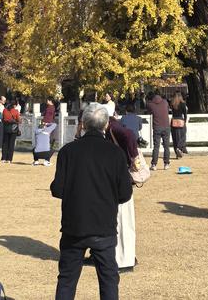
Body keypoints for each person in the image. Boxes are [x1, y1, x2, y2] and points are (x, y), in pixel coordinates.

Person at [50, 104, 133, 300]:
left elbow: (57, 189)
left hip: (74, 225)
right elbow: (125, 193)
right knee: (108, 279)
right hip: (104, 225)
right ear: (106, 125)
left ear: (83, 124)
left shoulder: (68, 151)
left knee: (67, 279)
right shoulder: (115, 153)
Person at [107, 113, 139, 272]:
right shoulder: (111, 128)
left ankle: (126, 259)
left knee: (123, 219)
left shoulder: (113, 128)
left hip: (121, 178)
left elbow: (130, 135)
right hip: (116, 177)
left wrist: (133, 157)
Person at [146, 90, 171, 170]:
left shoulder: (150, 104)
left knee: (156, 146)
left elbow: (149, 111)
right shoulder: (165, 102)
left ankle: (154, 164)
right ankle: (166, 164)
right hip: (166, 126)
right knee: (166, 146)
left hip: (157, 126)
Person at [170, 91, 188, 158]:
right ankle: (179, 147)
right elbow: (185, 114)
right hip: (180, 120)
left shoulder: (172, 104)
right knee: (183, 136)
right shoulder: (183, 104)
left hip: (174, 120)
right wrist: (185, 121)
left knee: (175, 137)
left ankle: (177, 152)